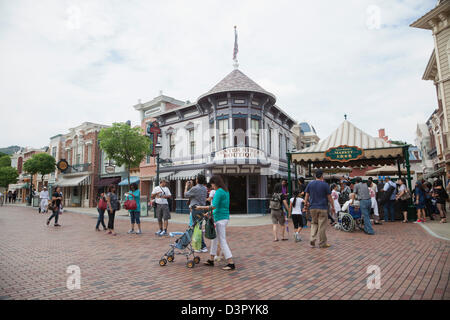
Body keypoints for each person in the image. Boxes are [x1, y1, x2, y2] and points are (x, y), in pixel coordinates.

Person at [196, 175, 235, 271]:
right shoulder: (225, 191)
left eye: (212, 184)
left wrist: (200, 207)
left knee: (222, 241)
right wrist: (208, 213)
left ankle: (231, 263)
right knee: (214, 239)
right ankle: (211, 260)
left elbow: (213, 206)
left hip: (220, 219)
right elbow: (220, 206)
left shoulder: (219, 192)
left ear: (215, 183)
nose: (212, 186)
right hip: (223, 217)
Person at [304, 169, 335, 248]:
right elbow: (329, 197)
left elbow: (306, 195)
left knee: (314, 223)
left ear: (315, 176)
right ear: (322, 176)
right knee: (322, 226)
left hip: (312, 207)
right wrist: (333, 207)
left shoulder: (310, 184)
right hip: (322, 207)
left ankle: (312, 239)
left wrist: (305, 205)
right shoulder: (325, 185)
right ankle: (322, 243)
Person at [185, 174, 208, 253]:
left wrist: (186, 186)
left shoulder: (195, 188)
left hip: (196, 209)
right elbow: (195, 194)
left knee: (197, 228)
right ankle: (199, 245)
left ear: (197, 180)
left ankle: (202, 246)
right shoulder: (205, 188)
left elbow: (186, 194)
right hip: (202, 209)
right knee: (198, 227)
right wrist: (191, 187)